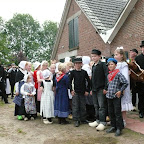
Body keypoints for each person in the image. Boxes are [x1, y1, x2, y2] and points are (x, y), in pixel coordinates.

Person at [106, 58, 128, 136]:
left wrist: (120, 91)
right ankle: (113, 126)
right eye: (109, 65)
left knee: (117, 112)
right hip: (109, 95)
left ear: (115, 65)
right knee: (111, 112)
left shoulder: (118, 73)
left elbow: (125, 83)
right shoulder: (109, 75)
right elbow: (109, 84)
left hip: (116, 96)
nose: (110, 66)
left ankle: (119, 128)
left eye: (112, 64)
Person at [89, 49, 108, 131]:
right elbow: (92, 79)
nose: (93, 58)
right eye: (92, 56)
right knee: (96, 105)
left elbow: (107, 76)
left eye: (95, 56)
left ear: (99, 56)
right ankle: (97, 120)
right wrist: (91, 89)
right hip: (94, 89)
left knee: (101, 106)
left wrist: (105, 88)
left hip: (101, 88)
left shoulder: (103, 65)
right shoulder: (93, 66)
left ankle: (103, 122)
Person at [69, 57, 91, 127]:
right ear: (74, 64)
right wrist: (71, 90)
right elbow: (69, 82)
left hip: (83, 92)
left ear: (81, 64)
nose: (78, 65)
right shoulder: (72, 72)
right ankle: (76, 120)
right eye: (76, 64)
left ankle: (83, 119)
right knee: (75, 106)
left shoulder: (84, 72)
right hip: (75, 92)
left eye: (79, 63)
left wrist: (87, 90)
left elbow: (89, 81)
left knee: (82, 106)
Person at [114, 47, 133, 126]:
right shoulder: (116, 64)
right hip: (116, 86)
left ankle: (124, 120)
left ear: (122, 55)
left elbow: (125, 77)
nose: (115, 56)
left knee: (123, 104)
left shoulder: (124, 65)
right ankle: (118, 119)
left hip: (122, 86)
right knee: (117, 104)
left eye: (117, 54)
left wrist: (123, 88)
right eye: (114, 55)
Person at [82, 56, 95, 122]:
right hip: (88, 86)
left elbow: (88, 78)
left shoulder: (85, 68)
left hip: (87, 86)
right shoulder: (87, 67)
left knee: (89, 102)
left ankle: (91, 116)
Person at [135, 41, 144, 118]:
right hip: (141, 81)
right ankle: (141, 111)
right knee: (141, 96)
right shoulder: (138, 58)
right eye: (143, 47)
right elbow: (135, 70)